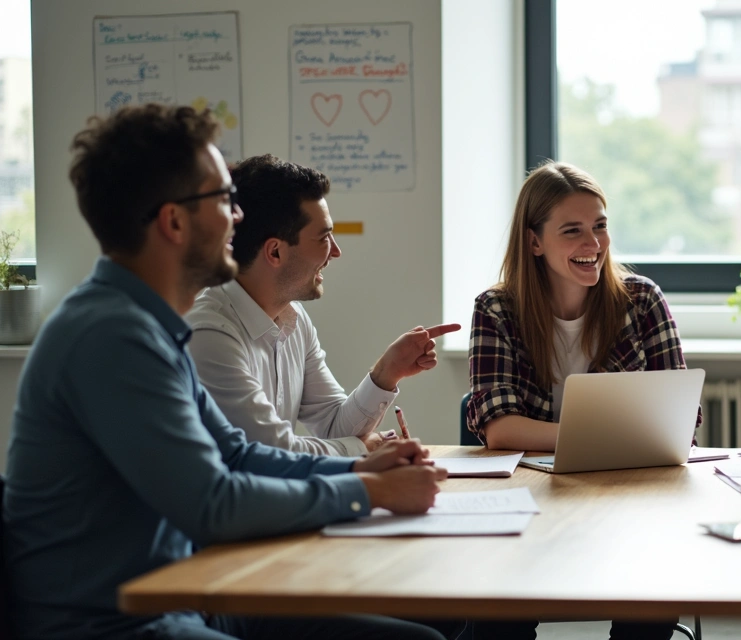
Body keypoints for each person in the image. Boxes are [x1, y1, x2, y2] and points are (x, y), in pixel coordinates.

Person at [2, 104, 448, 640]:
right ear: (173, 221)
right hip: (115, 625)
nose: (238, 218)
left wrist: (361, 474)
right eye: (223, 200)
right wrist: (371, 493)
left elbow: (236, 452)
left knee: (421, 629)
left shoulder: (148, 324)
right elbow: (213, 503)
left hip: (186, 599)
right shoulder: (111, 336)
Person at [465, 161, 688, 639]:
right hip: (526, 502)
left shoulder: (642, 300)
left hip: (626, 500)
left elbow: (680, 420)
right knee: (496, 616)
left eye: (600, 226)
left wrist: (593, 444)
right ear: (534, 242)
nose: (594, 245)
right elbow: (500, 428)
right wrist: (613, 439)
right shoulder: (497, 308)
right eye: (573, 231)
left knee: (652, 597)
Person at [186, 154, 458, 458]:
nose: (336, 251)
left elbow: (333, 428)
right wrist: (361, 448)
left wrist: (386, 372)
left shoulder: (294, 319)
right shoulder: (211, 334)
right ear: (275, 252)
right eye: (324, 237)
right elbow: (270, 452)